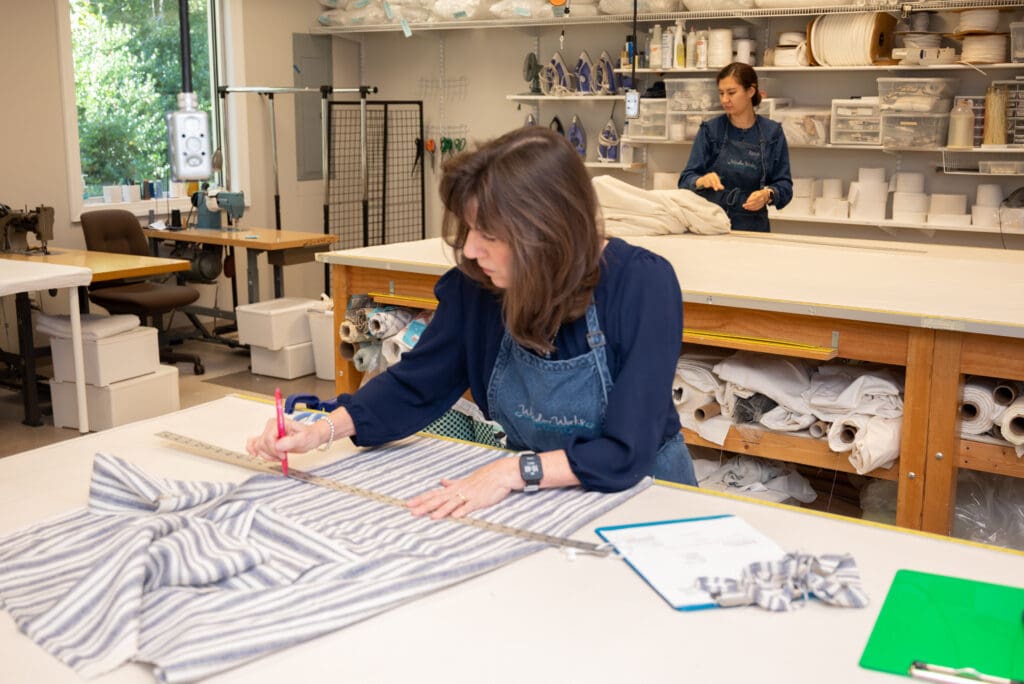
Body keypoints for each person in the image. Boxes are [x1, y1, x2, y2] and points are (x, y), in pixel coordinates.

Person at [247, 126, 696, 519]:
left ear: (547, 234)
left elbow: (626, 452)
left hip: (649, 494)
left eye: (491, 235)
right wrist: (320, 430)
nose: (472, 251)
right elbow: (415, 385)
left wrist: (511, 470)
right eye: (470, 230)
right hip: (541, 500)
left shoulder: (641, 285)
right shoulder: (478, 287)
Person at [678, 62, 793, 232]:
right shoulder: (710, 130)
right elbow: (685, 180)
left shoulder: (772, 133)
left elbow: (784, 185)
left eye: (731, 93)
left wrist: (767, 195)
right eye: (721, 93)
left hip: (753, 226)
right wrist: (701, 181)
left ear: (750, 91)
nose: (725, 99)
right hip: (711, 223)